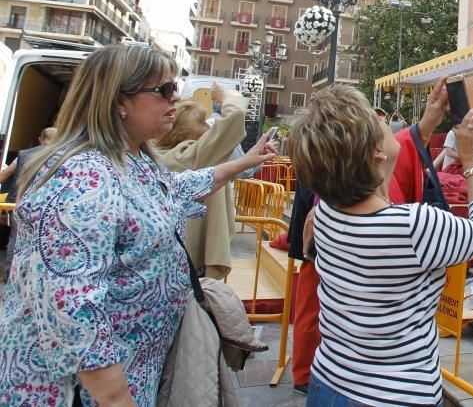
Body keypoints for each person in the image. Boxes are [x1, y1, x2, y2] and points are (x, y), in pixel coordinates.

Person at [0, 44, 277, 406]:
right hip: (75, 393)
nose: (175, 99)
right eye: (163, 90)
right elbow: (73, 313)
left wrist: (242, 164)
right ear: (118, 101)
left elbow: (175, 189)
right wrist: (117, 398)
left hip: (132, 371)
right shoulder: (82, 178)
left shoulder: (133, 160)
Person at [288, 84, 473, 406]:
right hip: (394, 395)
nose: (386, 123)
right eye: (380, 122)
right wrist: (472, 160)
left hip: (329, 382)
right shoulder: (414, 226)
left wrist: (427, 123)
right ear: (376, 152)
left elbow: (392, 155)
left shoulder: (324, 214)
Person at [154, 82, 249, 279]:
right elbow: (234, 118)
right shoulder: (185, 157)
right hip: (188, 263)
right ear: (184, 130)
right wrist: (227, 96)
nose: (208, 126)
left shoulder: (165, 155)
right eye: (202, 121)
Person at [0, 126, 56, 281]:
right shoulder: (62, 156)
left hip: (20, 202)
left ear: (40, 139)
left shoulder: (24, 155)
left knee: (16, 238)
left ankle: (10, 275)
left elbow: (4, 176)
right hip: (47, 205)